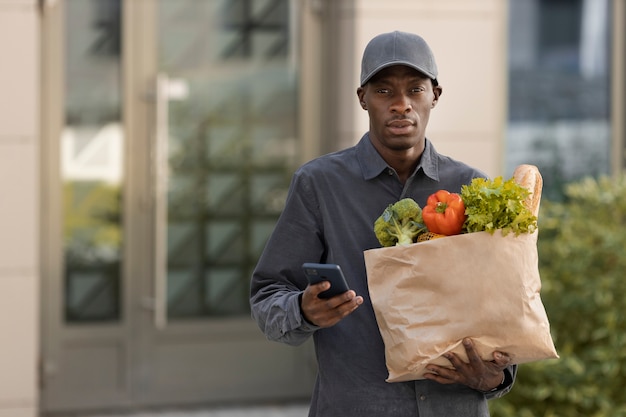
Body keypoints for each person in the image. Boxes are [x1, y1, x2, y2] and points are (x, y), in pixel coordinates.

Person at [250, 30, 516, 416]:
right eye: (384, 91)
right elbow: (267, 296)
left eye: (415, 90)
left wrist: (496, 377)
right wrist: (303, 311)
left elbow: (503, 306)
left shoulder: (471, 186)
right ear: (363, 98)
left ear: (435, 96)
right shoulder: (319, 184)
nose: (401, 105)